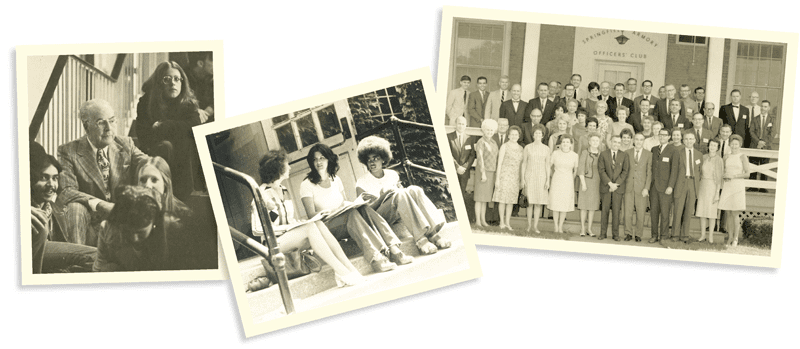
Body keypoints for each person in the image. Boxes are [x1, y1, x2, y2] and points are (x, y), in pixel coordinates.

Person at [249, 150, 365, 286]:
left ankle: (351, 269)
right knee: (310, 227)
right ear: (278, 168)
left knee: (317, 223)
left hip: (288, 239)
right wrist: (289, 227)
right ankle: (341, 272)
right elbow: (257, 230)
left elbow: (288, 220)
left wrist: (296, 224)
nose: (290, 167)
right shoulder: (260, 194)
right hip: (271, 246)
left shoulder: (284, 190)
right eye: (287, 165)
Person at [299, 144, 406, 273]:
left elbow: (344, 203)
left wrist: (358, 202)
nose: (319, 162)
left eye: (322, 158)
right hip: (326, 226)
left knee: (364, 209)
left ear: (329, 159)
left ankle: (394, 248)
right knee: (352, 214)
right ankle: (376, 258)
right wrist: (330, 212)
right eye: (315, 159)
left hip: (344, 221)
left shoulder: (336, 179)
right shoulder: (306, 184)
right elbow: (311, 215)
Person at [57, 99, 149, 246]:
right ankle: (78, 258)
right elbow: (67, 191)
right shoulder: (69, 151)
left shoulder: (126, 144)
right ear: (86, 126)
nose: (108, 128)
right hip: (89, 217)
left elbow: (150, 164)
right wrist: (100, 204)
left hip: (121, 215)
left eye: (112, 121)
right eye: (101, 122)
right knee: (74, 208)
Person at [355, 136, 451, 254]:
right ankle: (421, 240)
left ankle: (433, 234)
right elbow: (364, 212)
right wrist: (382, 197)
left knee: (414, 190)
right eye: (368, 159)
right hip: (380, 217)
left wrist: (397, 192)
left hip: (399, 210)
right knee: (399, 194)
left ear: (383, 159)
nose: (372, 162)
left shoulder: (392, 174)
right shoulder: (362, 181)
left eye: (376, 158)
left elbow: (404, 196)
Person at [135, 61, 202, 202]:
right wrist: (178, 129)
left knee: (185, 142)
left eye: (177, 79)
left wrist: (165, 126)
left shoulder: (188, 104)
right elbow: (144, 135)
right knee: (166, 146)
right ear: (159, 82)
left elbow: (195, 128)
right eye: (167, 79)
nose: (173, 83)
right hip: (156, 156)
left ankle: (179, 197)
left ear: (182, 82)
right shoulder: (146, 102)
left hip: (183, 160)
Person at [29, 142, 97, 274]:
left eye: (55, 178)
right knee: (94, 257)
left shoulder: (53, 208)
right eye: (43, 178)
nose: (51, 184)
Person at [93, 186, 172, 272]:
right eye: (127, 232)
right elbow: (99, 266)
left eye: (140, 233)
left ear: (154, 222)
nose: (134, 238)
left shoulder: (169, 234)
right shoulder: (108, 228)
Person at [668, 131, 702, 243]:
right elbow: (674, 171)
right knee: (677, 210)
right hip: (680, 183)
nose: (689, 141)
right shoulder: (678, 153)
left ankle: (685, 235)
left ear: (694, 140)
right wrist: (671, 186)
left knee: (688, 211)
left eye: (691, 139)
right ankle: (675, 235)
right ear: (683, 140)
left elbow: (700, 172)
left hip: (692, 184)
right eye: (686, 139)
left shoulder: (699, 155)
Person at [718, 135, 750, 246]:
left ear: (740, 145)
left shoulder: (743, 156)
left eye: (736, 144)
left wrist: (734, 176)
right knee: (728, 212)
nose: (734, 146)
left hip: (737, 185)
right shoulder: (726, 156)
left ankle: (736, 238)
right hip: (727, 185)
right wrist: (725, 175)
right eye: (732, 144)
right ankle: (730, 237)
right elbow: (723, 170)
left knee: (735, 213)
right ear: (729, 145)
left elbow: (747, 173)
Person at [597, 135, 629, 241]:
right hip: (606, 187)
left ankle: (615, 234)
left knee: (616, 212)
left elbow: (625, 172)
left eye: (618, 142)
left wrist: (616, 184)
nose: (616, 144)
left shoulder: (624, 155)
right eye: (614, 142)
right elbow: (601, 170)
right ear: (610, 142)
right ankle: (603, 233)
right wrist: (610, 184)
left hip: (618, 188)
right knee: (604, 211)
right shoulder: (603, 154)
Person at [648, 128, 677, 243]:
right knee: (654, 212)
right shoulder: (654, 149)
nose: (662, 137)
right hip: (654, 186)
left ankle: (664, 236)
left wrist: (670, 186)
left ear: (669, 137)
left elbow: (674, 170)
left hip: (666, 187)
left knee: (665, 213)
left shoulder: (673, 150)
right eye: (660, 135)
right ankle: (654, 235)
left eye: (664, 135)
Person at [492, 126, 524, 230]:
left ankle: (507, 223)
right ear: (509, 135)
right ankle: (501, 222)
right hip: (504, 176)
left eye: (516, 134)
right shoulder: (504, 146)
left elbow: (521, 165)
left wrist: (521, 179)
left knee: (510, 201)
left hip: (515, 177)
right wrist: (497, 179)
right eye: (512, 134)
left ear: (519, 136)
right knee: (502, 200)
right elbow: (499, 163)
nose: (514, 136)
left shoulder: (521, 149)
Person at [520, 124, 550, 233]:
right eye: (536, 133)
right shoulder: (528, 147)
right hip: (530, 176)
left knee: (538, 203)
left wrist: (548, 180)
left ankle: (535, 226)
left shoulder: (546, 149)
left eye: (540, 133)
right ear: (533, 135)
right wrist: (523, 179)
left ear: (543, 135)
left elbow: (547, 165)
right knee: (530, 202)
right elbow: (524, 163)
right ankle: (528, 226)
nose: (538, 135)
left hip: (541, 177)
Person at [623, 133, 652, 242]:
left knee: (641, 213)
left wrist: (647, 188)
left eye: (641, 140)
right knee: (628, 212)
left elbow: (649, 173)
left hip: (642, 188)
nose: (639, 142)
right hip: (628, 186)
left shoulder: (649, 154)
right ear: (633, 140)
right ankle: (628, 233)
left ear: (643, 141)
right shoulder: (627, 153)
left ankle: (639, 234)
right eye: (637, 139)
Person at [548, 134, 579, 234]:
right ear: (560, 144)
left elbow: (575, 170)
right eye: (563, 142)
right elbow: (549, 166)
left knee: (564, 204)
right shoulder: (555, 153)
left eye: (567, 142)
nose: (565, 144)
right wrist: (553, 175)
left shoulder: (575, 155)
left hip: (568, 181)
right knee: (555, 203)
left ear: (571, 144)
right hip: (556, 179)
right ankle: (555, 227)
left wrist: (570, 178)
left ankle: (560, 226)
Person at [696, 139, 724, 243]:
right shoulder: (703, 157)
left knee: (712, 213)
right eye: (711, 145)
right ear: (708, 146)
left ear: (717, 148)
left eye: (715, 146)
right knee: (702, 211)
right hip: (703, 185)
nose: (712, 147)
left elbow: (720, 177)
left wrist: (717, 193)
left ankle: (711, 236)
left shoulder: (719, 160)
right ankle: (703, 235)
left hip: (713, 186)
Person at [473, 119, 499, 227]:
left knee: (485, 199)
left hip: (491, 173)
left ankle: (483, 220)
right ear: (483, 130)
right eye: (487, 130)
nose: (489, 132)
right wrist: (483, 173)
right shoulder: (481, 142)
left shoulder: (493, 142)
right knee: (479, 198)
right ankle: (478, 221)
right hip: (482, 172)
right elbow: (480, 158)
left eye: (491, 130)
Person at [577, 132, 602, 237]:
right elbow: (581, 169)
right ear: (589, 142)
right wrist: (583, 184)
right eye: (593, 140)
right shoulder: (584, 153)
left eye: (597, 140)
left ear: (599, 142)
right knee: (584, 206)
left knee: (592, 207)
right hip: (585, 182)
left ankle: (589, 229)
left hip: (596, 183)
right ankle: (582, 228)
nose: (595, 142)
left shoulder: (602, 153)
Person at [448, 116, 477, 201]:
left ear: (466, 125)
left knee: (461, 196)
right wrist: (457, 167)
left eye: (463, 124)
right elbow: (448, 153)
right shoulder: (449, 137)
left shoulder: (470, 138)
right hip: (452, 170)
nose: (461, 126)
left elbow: (472, 155)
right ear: (455, 124)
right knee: (451, 195)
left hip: (464, 172)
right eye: (459, 123)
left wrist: (464, 167)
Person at [749, 100, 774, 188]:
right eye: (762, 106)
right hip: (755, 146)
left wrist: (763, 143)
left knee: (765, 166)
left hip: (766, 147)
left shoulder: (772, 120)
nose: (763, 108)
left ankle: (763, 187)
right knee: (753, 166)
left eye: (765, 106)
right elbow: (751, 131)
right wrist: (758, 142)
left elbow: (772, 133)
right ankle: (752, 186)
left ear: (769, 108)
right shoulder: (755, 119)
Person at [185, 51, 215, 123]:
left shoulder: (213, 78)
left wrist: (209, 109)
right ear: (200, 63)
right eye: (212, 60)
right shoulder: (182, 78)